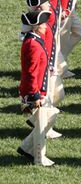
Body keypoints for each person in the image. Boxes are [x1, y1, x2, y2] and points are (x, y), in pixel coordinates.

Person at [18, 10, 58, 166]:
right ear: (35, 27)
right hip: (34, 92)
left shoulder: (34, 39)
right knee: (41, 127)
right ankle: (39, 158)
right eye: (42, 24)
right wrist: (35, 96)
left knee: (52, 115)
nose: (45, 26)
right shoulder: (32, 44)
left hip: (37, 89)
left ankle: (26, 147)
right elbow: (31, 73)